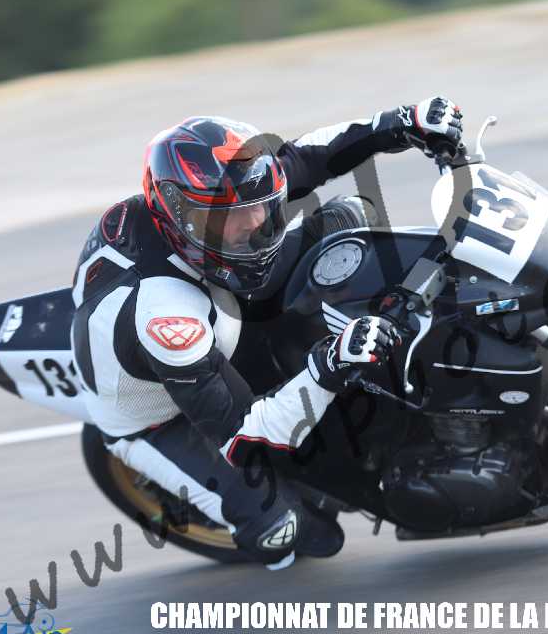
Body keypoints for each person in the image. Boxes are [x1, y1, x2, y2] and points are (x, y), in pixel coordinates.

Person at [69, 97, 464, 569]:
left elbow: (310, 156)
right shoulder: (164, 316)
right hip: (164, 416)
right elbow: (245, 437)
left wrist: (400, 124)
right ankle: (265, 505)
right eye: (234, 218)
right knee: (289, 533)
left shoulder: (216, 200)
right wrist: (329, 365)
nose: (257, 223)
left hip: (217, 297)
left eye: (263, 207)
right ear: (181, 219)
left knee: (349, 221)